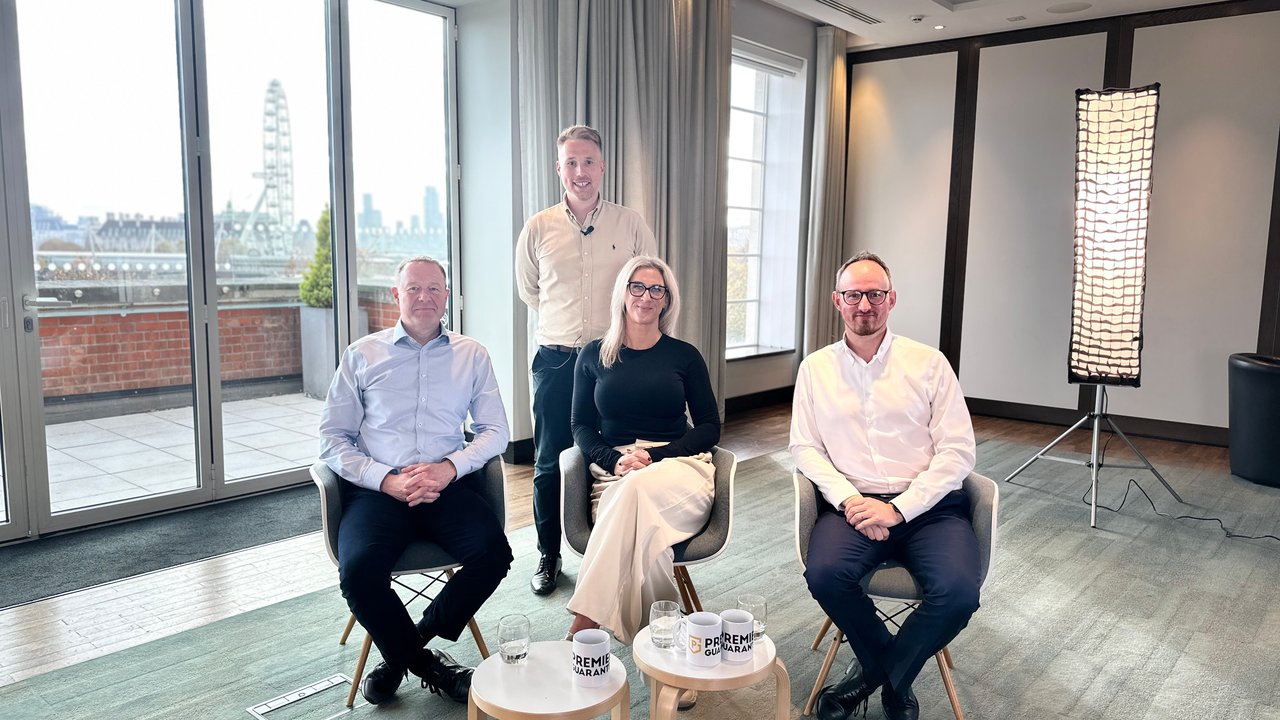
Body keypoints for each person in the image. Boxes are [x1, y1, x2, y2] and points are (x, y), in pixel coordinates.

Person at [790, 252, 980, 720]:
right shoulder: (815, 369)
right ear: (837, 301)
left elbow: (958, 451)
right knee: (825, 576)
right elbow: (805, 448)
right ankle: (895, 674)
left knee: (959, 592)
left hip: (929, 507)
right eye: (854, 295)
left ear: (891, 300)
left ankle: (875, 680)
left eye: (875, 294)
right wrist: (851, 499)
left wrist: (900, 509)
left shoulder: (929, 363)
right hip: (852, 505)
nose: (865, 305)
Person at [318, 256, 512, 707]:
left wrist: (449, 468)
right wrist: (384, 479)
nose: (424, 297)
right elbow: (332, 437)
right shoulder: (362, 355)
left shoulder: (472, 354)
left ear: (446, 295)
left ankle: (404, 651)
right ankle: (432, 668)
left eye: (433, 289)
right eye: (413, 289)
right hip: (380, 493)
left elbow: (496, 431)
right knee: (359, 572)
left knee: (494, 554)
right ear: (396, 295)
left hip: (447, 488)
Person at [516, 124, 658, 596]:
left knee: (615, 455)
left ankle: (610, 552)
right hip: (556, 360)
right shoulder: (538, 227)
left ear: (602, 166)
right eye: (571, 162)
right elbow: (530, 291)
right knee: (549, 463)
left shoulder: (630, 223)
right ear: (559, 169)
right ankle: (548, 555)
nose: (580, 171)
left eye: (589, 162)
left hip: (612, 359)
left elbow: (647, 284)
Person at [565, 256, 719, 645]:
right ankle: (667, 653)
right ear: (622, 293)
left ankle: (584, 624)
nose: (646, 296)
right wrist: (615, 460)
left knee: (636, 491)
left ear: (666, 300)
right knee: (650, 544)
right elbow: (580, 426)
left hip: (680, 468)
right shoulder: (594, 354)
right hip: (614, 471)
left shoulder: (684, 356)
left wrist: (654, 456)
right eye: (638, 286)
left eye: (656, 289)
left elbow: (709, 428)